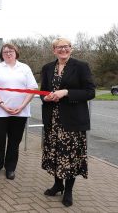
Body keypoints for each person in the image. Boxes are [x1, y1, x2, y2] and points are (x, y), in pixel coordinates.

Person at [40, 38, 95, 207]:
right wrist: (46, 97)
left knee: (69, 156)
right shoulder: (47, 68)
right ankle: (58, 184)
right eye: (59, 47)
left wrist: (66, 92)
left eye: (66, 47)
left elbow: (90, 92)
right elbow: (43, 91)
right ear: (54, 50)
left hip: (72, 121)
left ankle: (69, 191)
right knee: (55, 153)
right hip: (53, 120)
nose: (63, 50)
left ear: (71, 49)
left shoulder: (81, 66)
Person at [0, 44, 38, 180]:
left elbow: (32, 88)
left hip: (19, 112)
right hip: (1, 111)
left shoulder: (25, 68)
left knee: (14, 141)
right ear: (2, 55)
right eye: (5, 52)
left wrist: (22, 106)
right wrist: (1, 104)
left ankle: (10, 168)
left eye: (11, 51)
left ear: (16, 53)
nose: (8, 53)